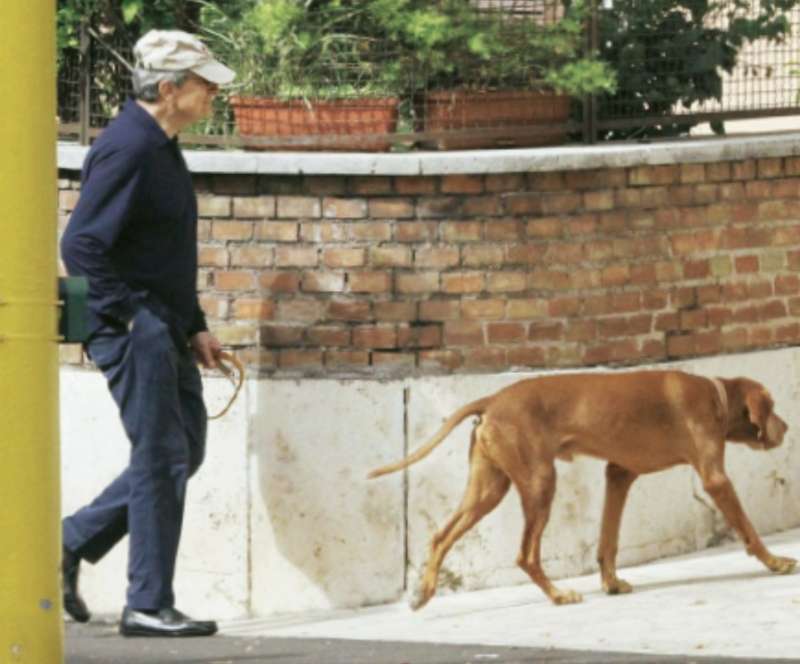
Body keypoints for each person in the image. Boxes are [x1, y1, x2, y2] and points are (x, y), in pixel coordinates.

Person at [60, 29, 235, 638]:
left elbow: (164, 252)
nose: (214, 93)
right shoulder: (129, 149)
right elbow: (81, 243)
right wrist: (132, 316)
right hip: (133, 328)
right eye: (204, 83)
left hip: (162, 325)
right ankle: (146, 604)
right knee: (163, 455)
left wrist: (194, 327)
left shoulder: (160, 144)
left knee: (184, 446)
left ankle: (71, 539)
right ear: (169, 88)